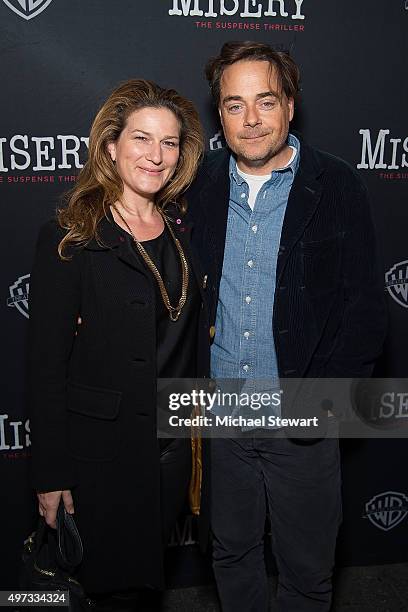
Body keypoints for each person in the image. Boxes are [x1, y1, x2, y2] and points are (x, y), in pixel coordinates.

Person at [186, 41, 387, 611]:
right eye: (234, 104)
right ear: (219, 113)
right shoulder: (197, 185)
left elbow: (365, 312)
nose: (250, 119)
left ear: (290, 105)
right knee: (231, 554)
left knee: (306, 570)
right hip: (219, 415)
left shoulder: (338, 185)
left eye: (265, 101)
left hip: (300, 416)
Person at [28, 79, 207, 609]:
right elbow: (44, 364)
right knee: (110, 592)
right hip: (101, 456)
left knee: (149, 584)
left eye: (170, 143)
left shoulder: (181, 228)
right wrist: (51, 472)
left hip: (171, 451)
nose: (156, 156)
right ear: (111, 146)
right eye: (142, 139)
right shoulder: (72, 235)